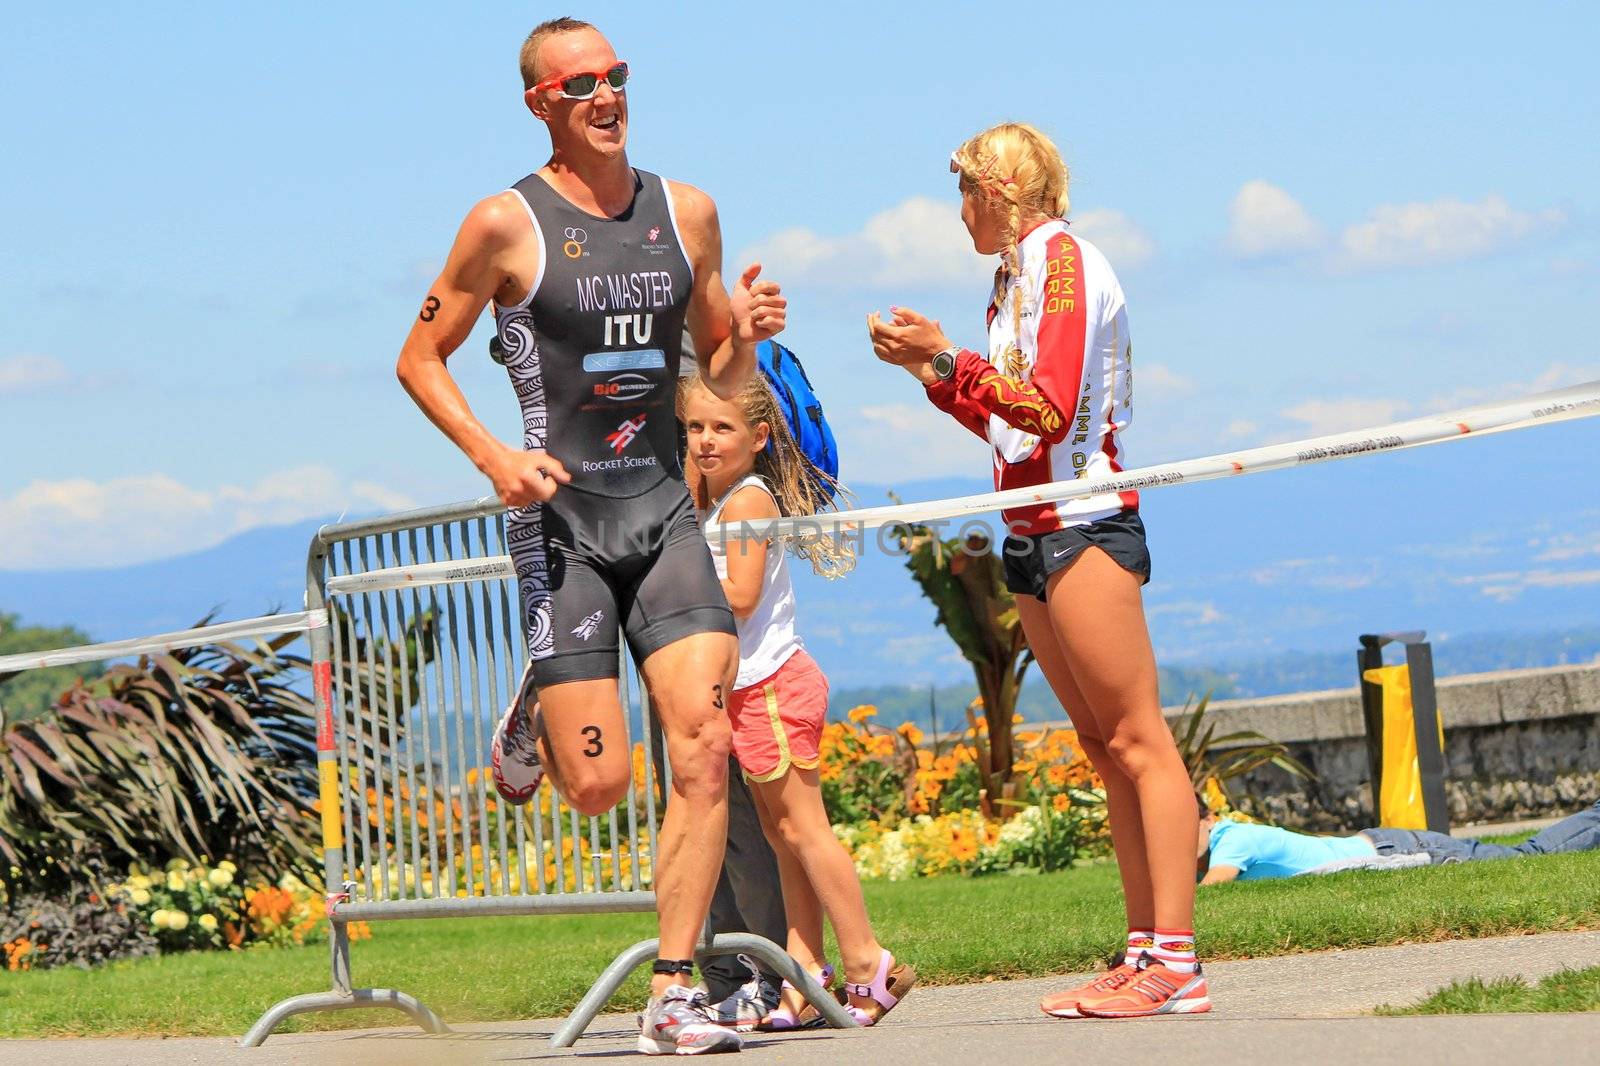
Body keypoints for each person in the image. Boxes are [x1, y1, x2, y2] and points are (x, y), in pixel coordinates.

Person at [394, 17, 785, 1056]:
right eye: (581, 85)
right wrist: (492, 457)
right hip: (560, 524)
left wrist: (745, 331)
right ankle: (540, 701)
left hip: (660, 512)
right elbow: (420, 357)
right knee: (603, 781)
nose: (607, 96)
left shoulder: (684, 211)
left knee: (702, 743)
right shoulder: (502, 223)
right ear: (540, 104)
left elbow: (721, 370)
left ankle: (672, 990)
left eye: (617, 77)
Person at [867, 123, 1208, 1020]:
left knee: (1138, 741)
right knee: (1105, 748)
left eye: (968, 192)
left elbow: (1049, 409)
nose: (961, 210)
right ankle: (1144, 955)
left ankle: (1175, 961)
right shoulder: (1013, 278)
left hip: (1086, 523)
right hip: (1034, 527)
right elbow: (1012, 430)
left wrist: (948, 361)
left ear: (1004, 189)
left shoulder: (1062, 263)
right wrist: (937, 374)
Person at [681, 371, 917, 1029]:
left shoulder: (749, 501)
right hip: (748, 691)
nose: (704, 441)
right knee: (784, 839)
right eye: (695, 427)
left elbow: (743, 595)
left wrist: (667, 591)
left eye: (720, 428)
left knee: (804, 832)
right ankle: (804, 975)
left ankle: (868, 959)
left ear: (757, 437)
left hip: (773, 687)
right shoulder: (716, 501)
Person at [1199, 799, 1600, 883]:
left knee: (1523, 857)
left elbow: (1211, 895)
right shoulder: (1228, 840)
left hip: (1398, 852)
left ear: (1210, 818)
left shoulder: (1234, 838)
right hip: (1387, 844)